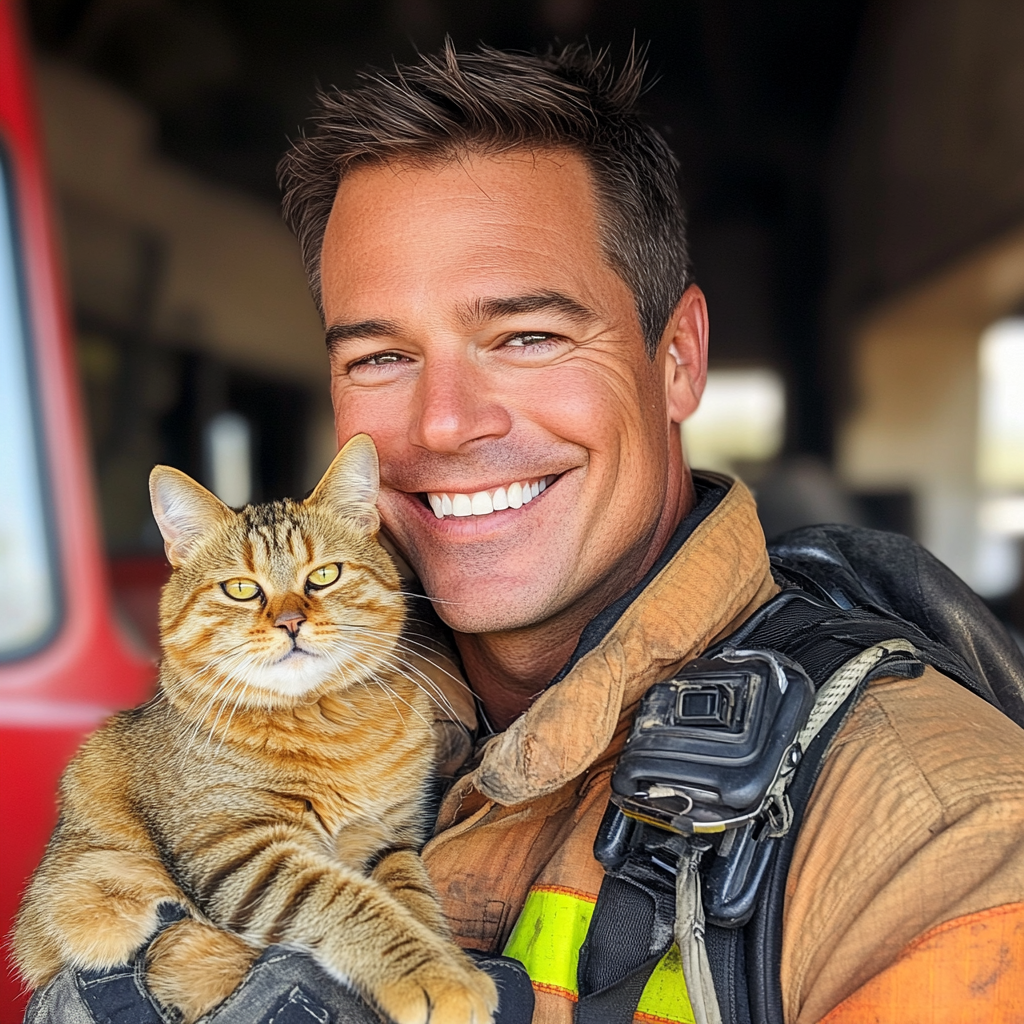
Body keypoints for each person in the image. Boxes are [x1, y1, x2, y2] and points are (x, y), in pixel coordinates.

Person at [26, 42, 1024, 1024]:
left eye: (527, 336)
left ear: (677, 358)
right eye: (379, 357)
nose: (446, 422)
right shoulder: (320, 692)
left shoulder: (936, 827)